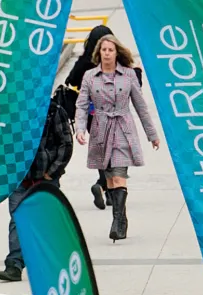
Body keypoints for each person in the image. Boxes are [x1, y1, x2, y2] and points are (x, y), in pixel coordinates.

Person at [74, 35, 160, 242]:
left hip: (123, 129)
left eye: (110, 50)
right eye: (103, 50)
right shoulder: (89, 76)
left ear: (117, 52)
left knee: (120, 176)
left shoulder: (129, 75)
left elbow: (141, 107)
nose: (107, 53)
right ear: (99, 53)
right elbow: (82, 104)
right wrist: (79, 129)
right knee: (111, 178)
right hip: (101, 131)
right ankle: (120, 218)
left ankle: (117, 223)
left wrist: (152, 135)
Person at [0, 93, 72, 282]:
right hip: (19, 178)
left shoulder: (54, 111)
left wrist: (51, 172)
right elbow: (2, 144)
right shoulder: (13, 113)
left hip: (46, 178)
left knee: (46, 221)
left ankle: (51, 263)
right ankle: (14, 264)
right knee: (17, 220)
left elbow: (66, 144)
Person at [65, 25, 114, 210]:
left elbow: (70, 80)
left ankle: (107, 190)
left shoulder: (84, 63)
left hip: (91, 114)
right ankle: (104, 186)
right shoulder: (113, 61)